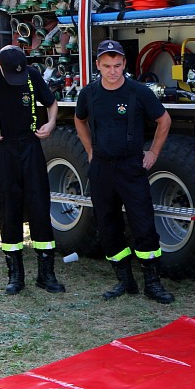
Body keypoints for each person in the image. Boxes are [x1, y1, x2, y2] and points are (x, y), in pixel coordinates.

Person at [74, 39, 175, 303]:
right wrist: (89, 150)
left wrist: (153, 152)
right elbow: (79, 118)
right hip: (101, 168)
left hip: (131, 166)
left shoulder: (138, 92)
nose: (112, 71)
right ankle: (124, 281)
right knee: (108, 225)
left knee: (143, 224)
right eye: (107, 66)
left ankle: (153, 284)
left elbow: (164, 120)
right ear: (98, 65)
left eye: (117, 65)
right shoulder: (89, 93)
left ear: (124, 64)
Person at [0, 45, 63, 295]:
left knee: (39, 205)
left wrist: (50, 124)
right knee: (8, 208)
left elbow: (52, 104)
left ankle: (46, 274)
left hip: (30, 146)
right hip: (1, 148)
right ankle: (15, 275)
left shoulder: (32, 75)